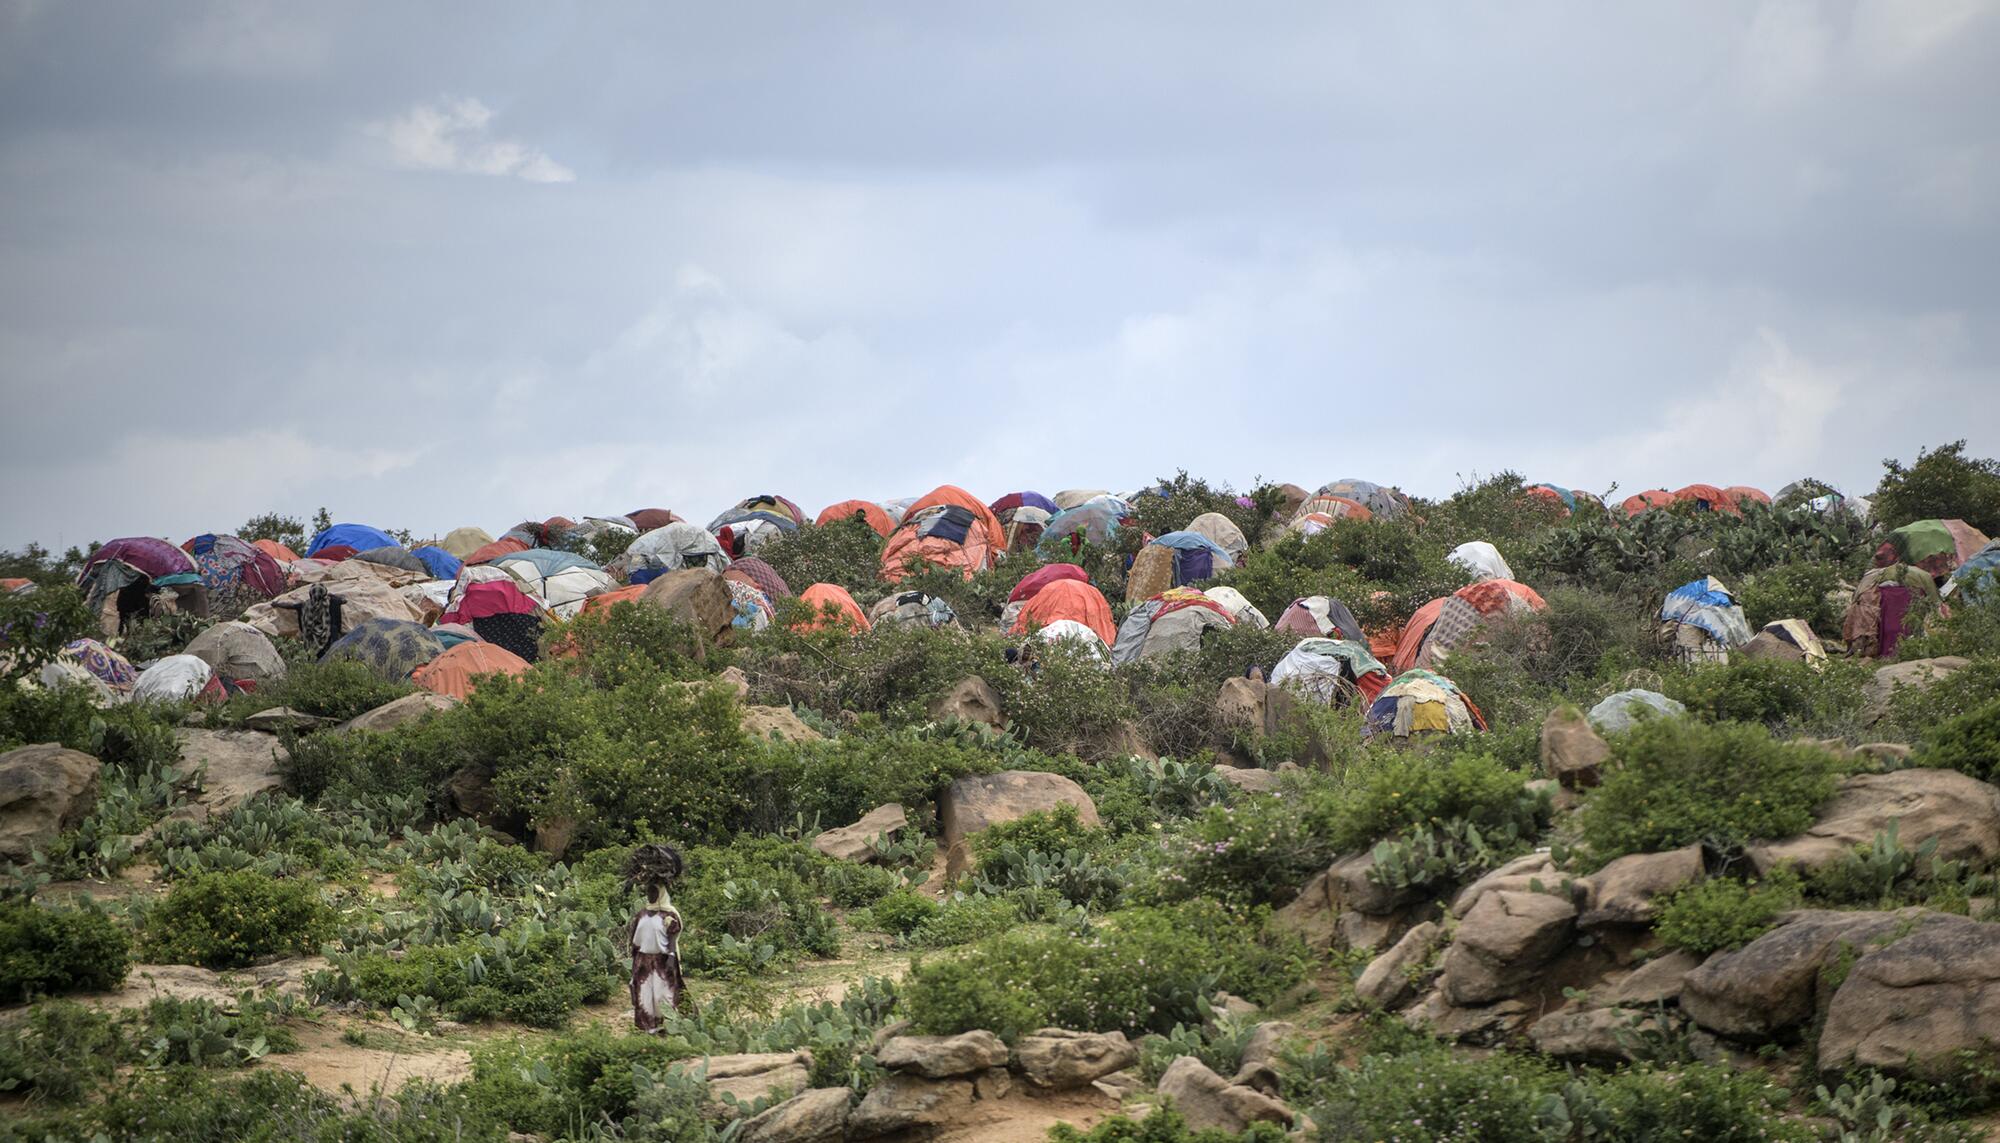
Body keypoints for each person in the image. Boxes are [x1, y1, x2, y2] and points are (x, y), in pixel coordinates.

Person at [623, 843, 689, 1032]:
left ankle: (668, 1028)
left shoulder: (670, 915)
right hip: (643, 962)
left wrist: (671, 959)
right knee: (645, 997)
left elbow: (673, 940)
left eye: (654, 892)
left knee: (664, 996)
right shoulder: (641, 915)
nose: (650, 895)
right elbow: (635, 942)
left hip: (662, 962)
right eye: (649, 891)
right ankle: (647, 1029)